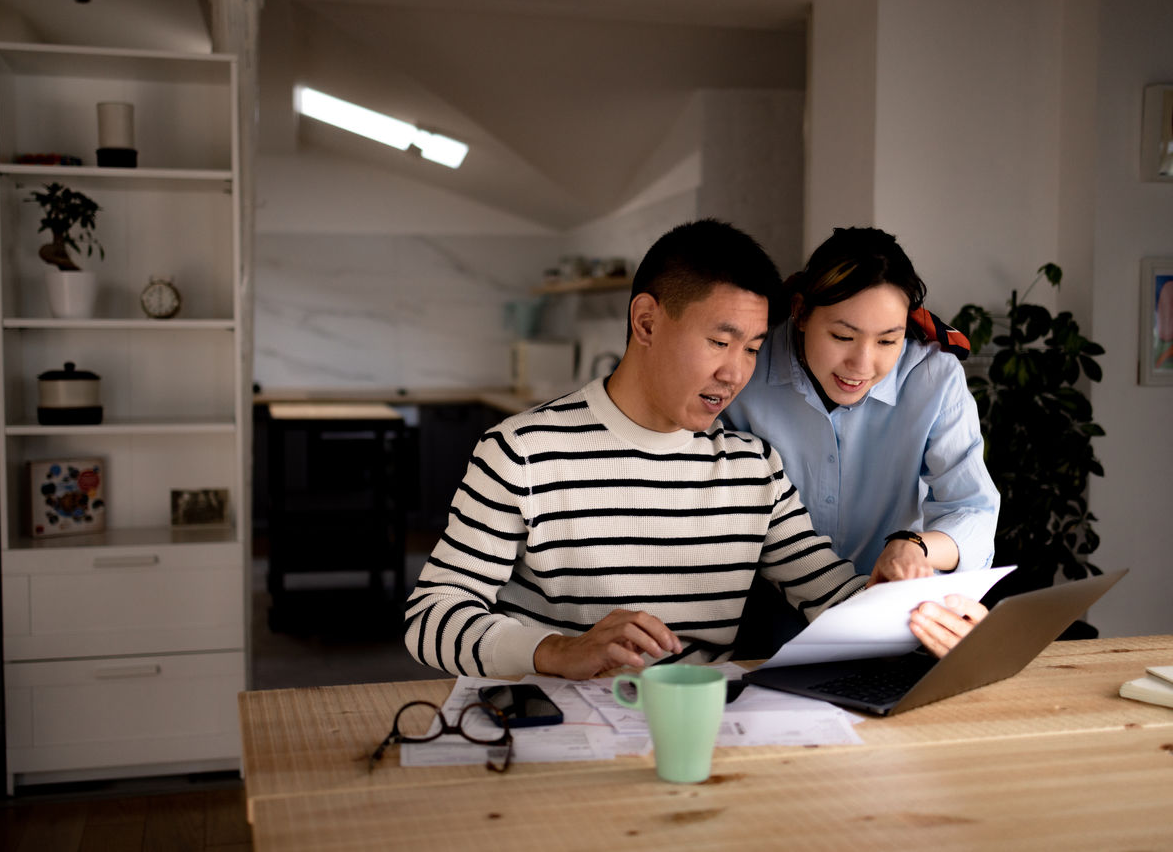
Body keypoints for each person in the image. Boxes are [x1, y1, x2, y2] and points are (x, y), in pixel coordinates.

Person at [404, 219, 987, 680]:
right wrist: (556, 650)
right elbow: (431, 616)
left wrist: (927, 614)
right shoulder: (521, 452)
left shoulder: (754, 468)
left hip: (703, 738)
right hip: (556, 732)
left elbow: (834, 596)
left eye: (753, 348)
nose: (736, 373)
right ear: (646, 323)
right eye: (718, 341)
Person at [722, 226, 1000, 656]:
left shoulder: (934, 378)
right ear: (800, 312)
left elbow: (973, 509)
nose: (862, 365)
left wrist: (914, 546)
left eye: (888, 340)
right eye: (843, 337)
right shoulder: (747, 367)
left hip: (889, 612)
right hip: (762, 611)